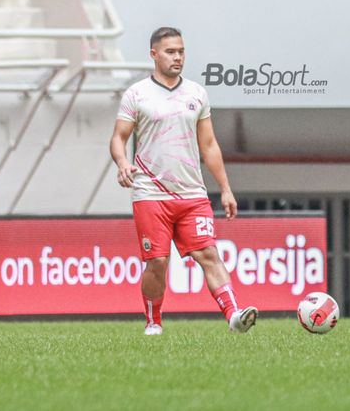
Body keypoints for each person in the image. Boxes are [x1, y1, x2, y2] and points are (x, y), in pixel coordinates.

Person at [110, 27, 258, 335]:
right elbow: (118, 137)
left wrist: (226, 189)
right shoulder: (137, 94)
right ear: (154, 54)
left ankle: (234, 315)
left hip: (192, 193)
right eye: (170, 51)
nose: (177, 57)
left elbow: (209, 145)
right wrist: (123, 162)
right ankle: (154, 321)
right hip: (151, 193)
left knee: (209, 254)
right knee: (158, 262)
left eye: (181, 51)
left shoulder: (196, 93)